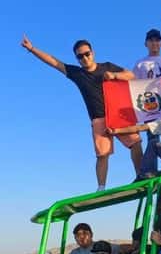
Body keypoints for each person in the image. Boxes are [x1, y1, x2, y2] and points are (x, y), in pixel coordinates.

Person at [21, 36, 142, 191]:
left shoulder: (107, 66)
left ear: (93, 53)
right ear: (77, 59)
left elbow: (131, 75)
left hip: (117, 114)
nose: (85, 58)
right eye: (80, 56)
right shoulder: (77, 74)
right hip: (98, 119)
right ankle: (101, 188)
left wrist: (115, 76)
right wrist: (32, 49)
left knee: (136, 143)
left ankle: (140, 175)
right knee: (102, 155)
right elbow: (54, 62)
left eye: (87, 54)